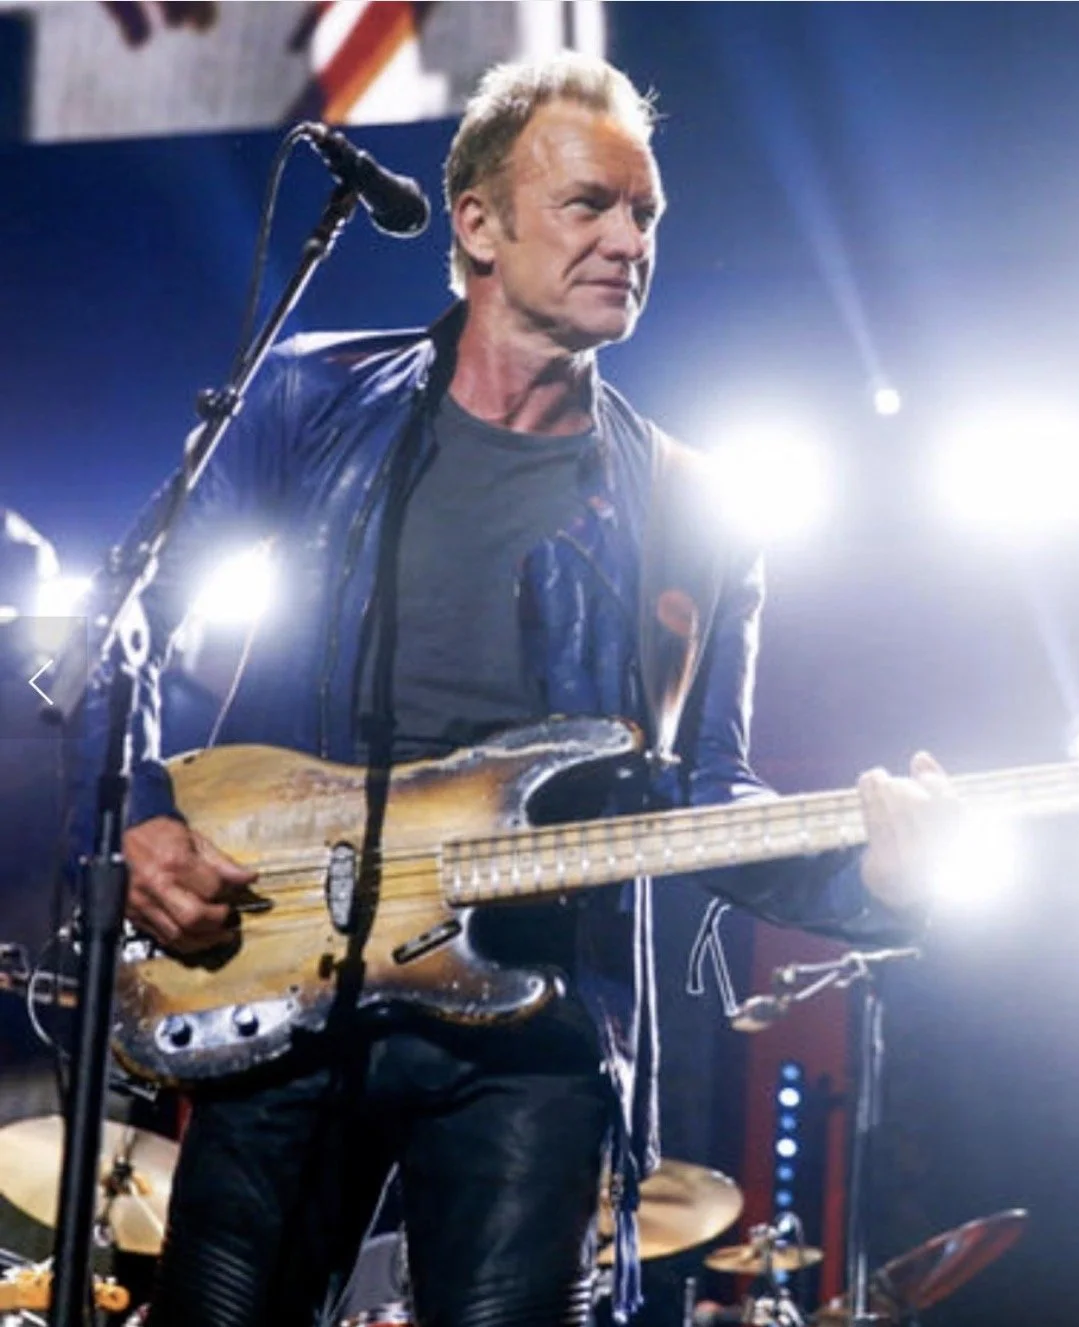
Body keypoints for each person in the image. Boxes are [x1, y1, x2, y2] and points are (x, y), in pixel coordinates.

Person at [101, 52, 954, 1327]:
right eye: (590, 205)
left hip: (537, 1037)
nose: (628, 239)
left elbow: (702, 791)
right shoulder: (312, 398)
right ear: (480, 225)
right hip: (280, 980)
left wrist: (874, 887)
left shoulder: (697, 512)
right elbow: (132, 641)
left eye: (646, 214)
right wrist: (141, 815)